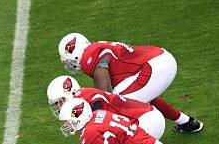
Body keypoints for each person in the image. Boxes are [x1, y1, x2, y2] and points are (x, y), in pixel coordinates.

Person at [47, 75, 181, 144]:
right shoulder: (83, 97)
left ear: (69, 93)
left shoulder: (86, 101)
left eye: (60, 101)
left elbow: (97, 129)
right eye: (56, 104)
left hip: (145, 121)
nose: (58, 107)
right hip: (145, 118)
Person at [58, 33, 203, 133]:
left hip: (155, 67)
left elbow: (105, 93)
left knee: (116, 105)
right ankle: (187, 122)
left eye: (70, 62)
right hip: (159, 60)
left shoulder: (88, 56)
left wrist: (85, 115)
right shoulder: (95, 48)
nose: (72, 66)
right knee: (134, 99)